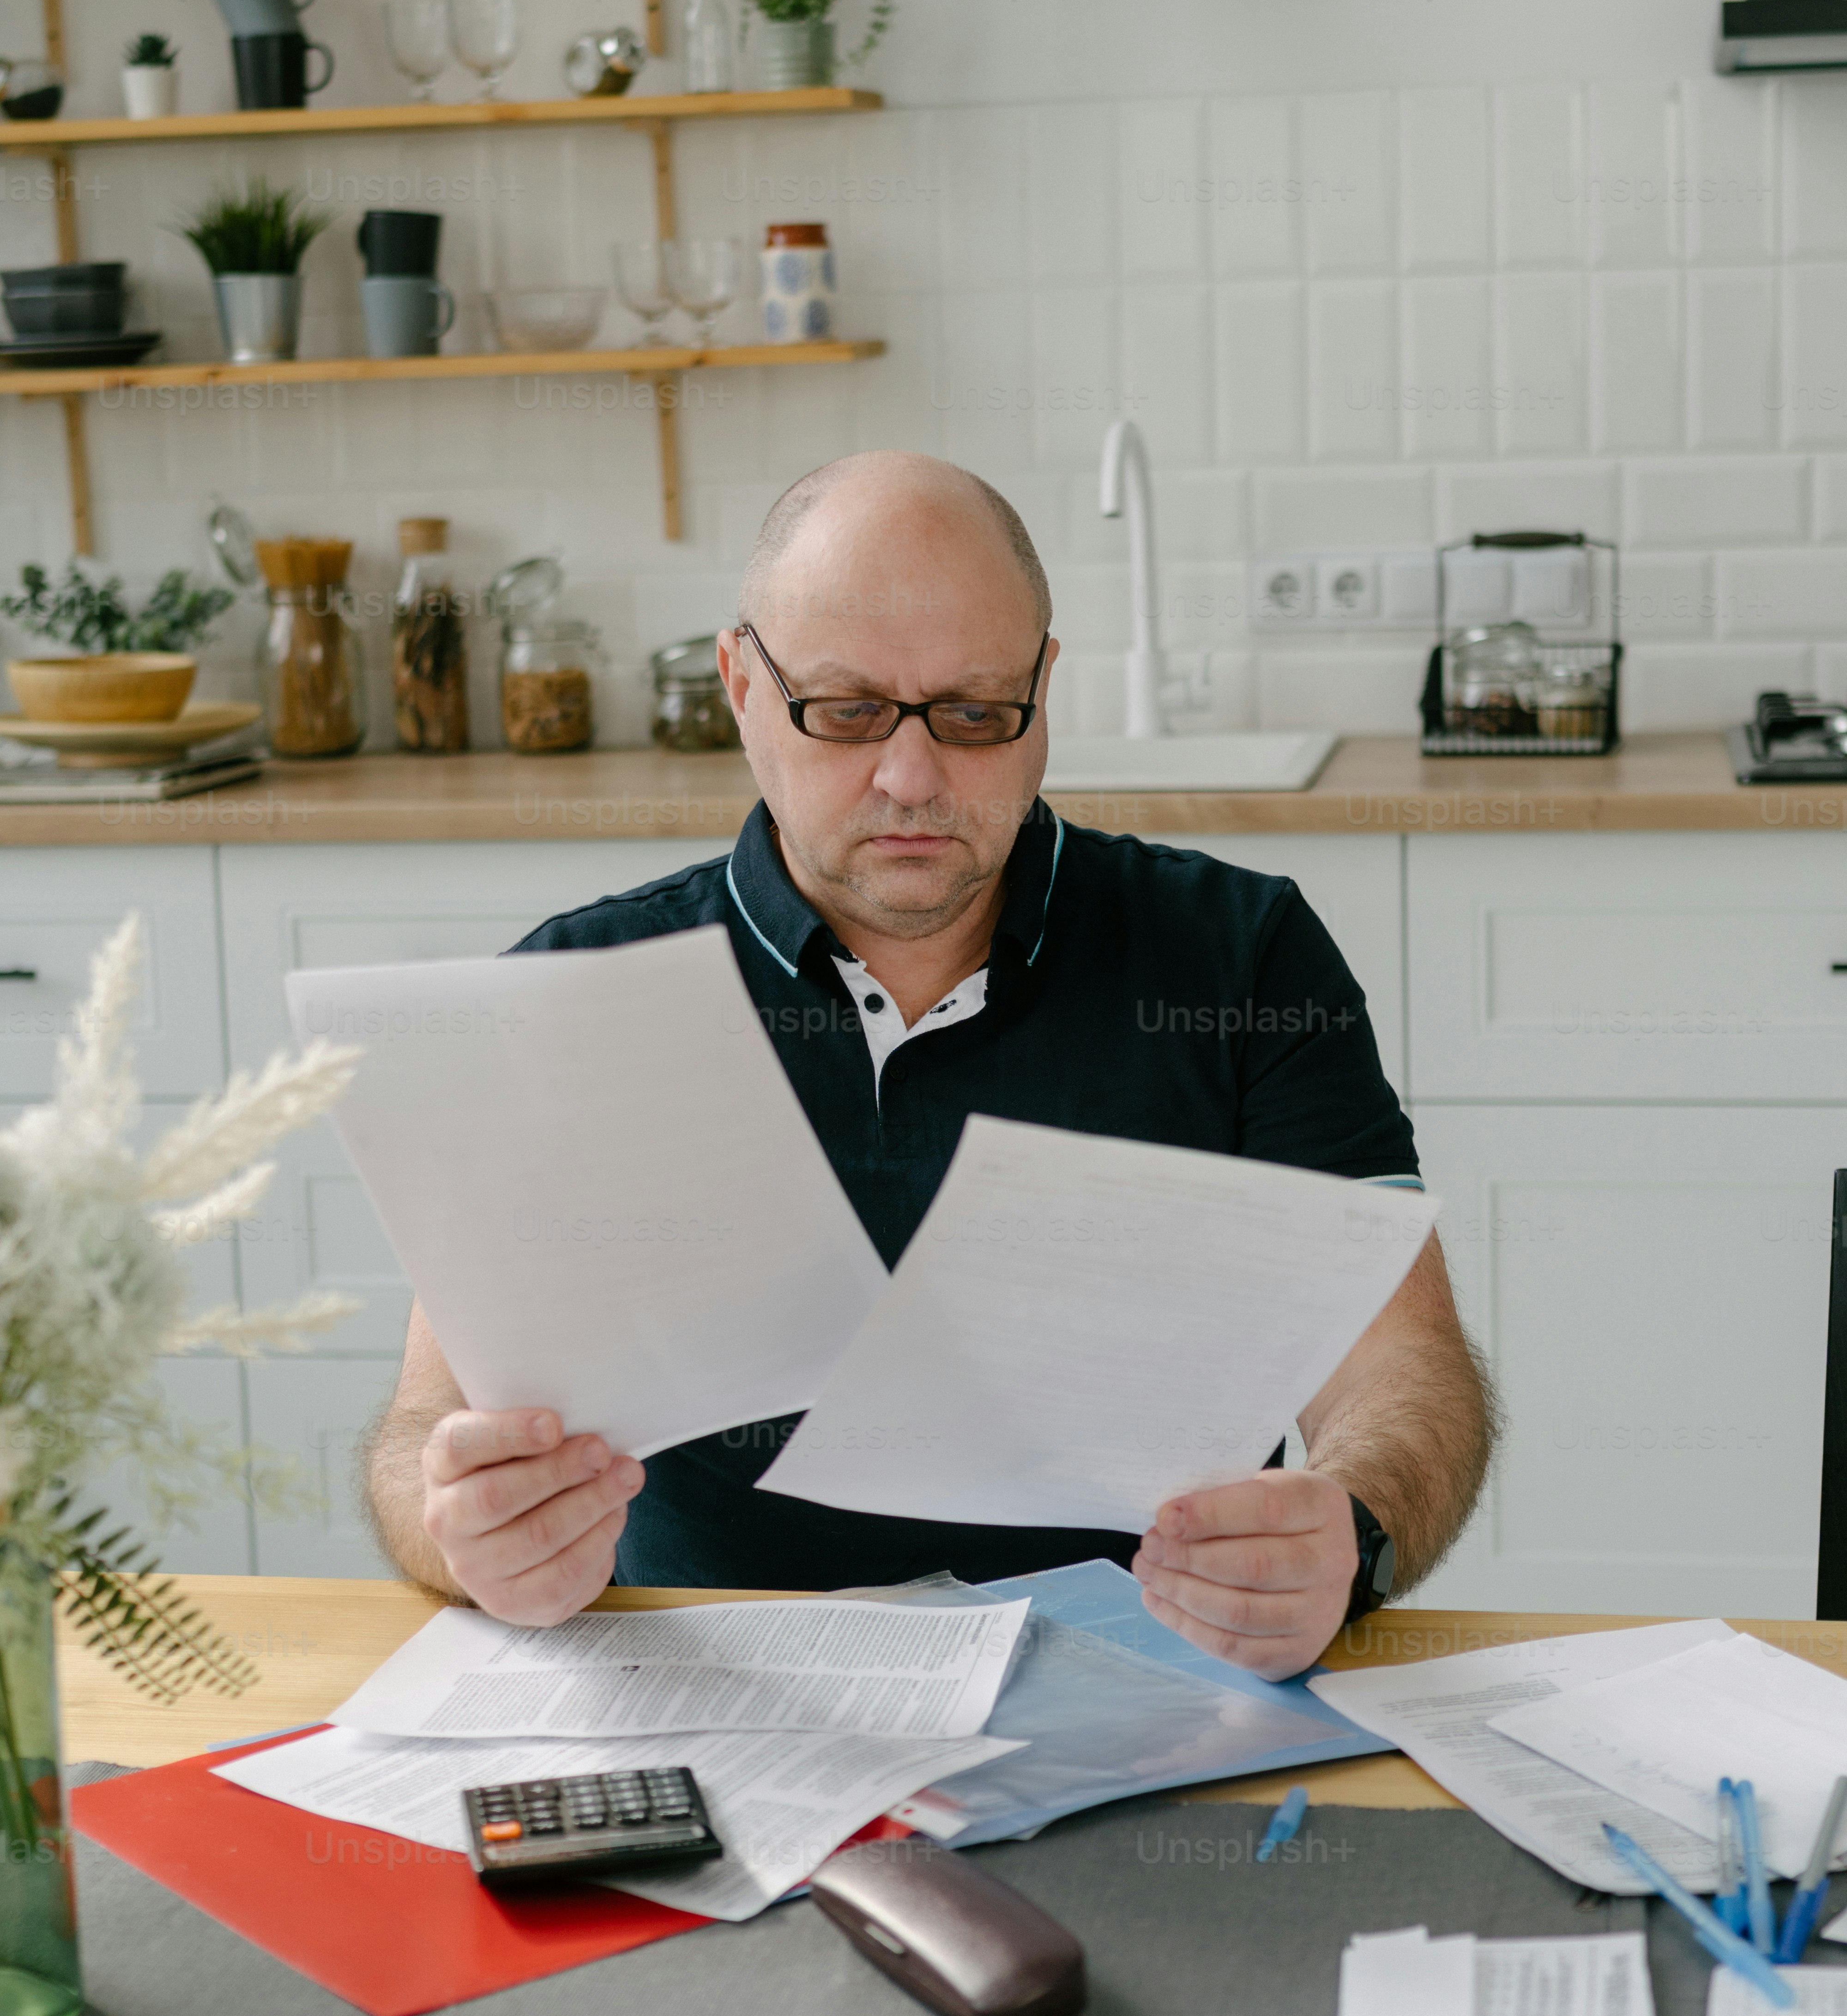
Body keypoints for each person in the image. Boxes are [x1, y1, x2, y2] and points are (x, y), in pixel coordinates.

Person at [365, 452, 1495, 1679]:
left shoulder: (1238, 960)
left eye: (973, 714)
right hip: (707, 1696)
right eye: (846, 712)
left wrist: (1353, 1529)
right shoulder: (570, 994)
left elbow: (1403, 1365)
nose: (911, 779)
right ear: (742, 683)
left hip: (1151, 1695)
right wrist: (461, 1529)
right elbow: (426, 1426)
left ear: (1045, 690)